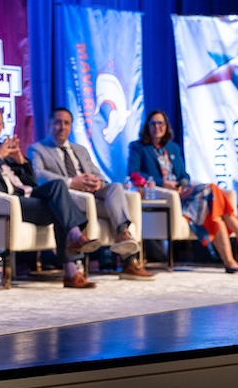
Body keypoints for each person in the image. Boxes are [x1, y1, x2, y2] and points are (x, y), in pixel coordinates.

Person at [0, 107, 99, 288]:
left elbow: (32, 182)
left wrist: (20, 161)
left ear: (1, 127)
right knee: (60, 209)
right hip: (8, 203)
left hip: (27, 196)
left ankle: (74, 237)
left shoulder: (5, 153)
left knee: (58, 186)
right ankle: (72, 265)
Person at [127, 109, 238, 273]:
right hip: (164, 196)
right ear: (147, 127)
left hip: (184, 195)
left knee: (214, 210)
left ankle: (230, 261)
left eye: (161, 123)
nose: (157, 127)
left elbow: (184, 175)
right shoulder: (138, 147)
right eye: (153, 123)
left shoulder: (173, 148)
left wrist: (183, 185)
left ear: (166, 126)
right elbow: (134, 173)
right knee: (211, 191)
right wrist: (163, 183)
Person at [28, 108, 153, 280]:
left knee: (115, 187)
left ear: (71, 126)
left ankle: (123, 235)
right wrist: (72, 182)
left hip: (92, 197)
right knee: (114, 210)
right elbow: (38, 175)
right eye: (57, 122)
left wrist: (97, 182)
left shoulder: (80, 150)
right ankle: (128, 261)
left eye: (66, 123)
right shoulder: (38, 149)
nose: (61, 127)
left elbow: (98, 174)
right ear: (49, 125)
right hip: (69, 198)